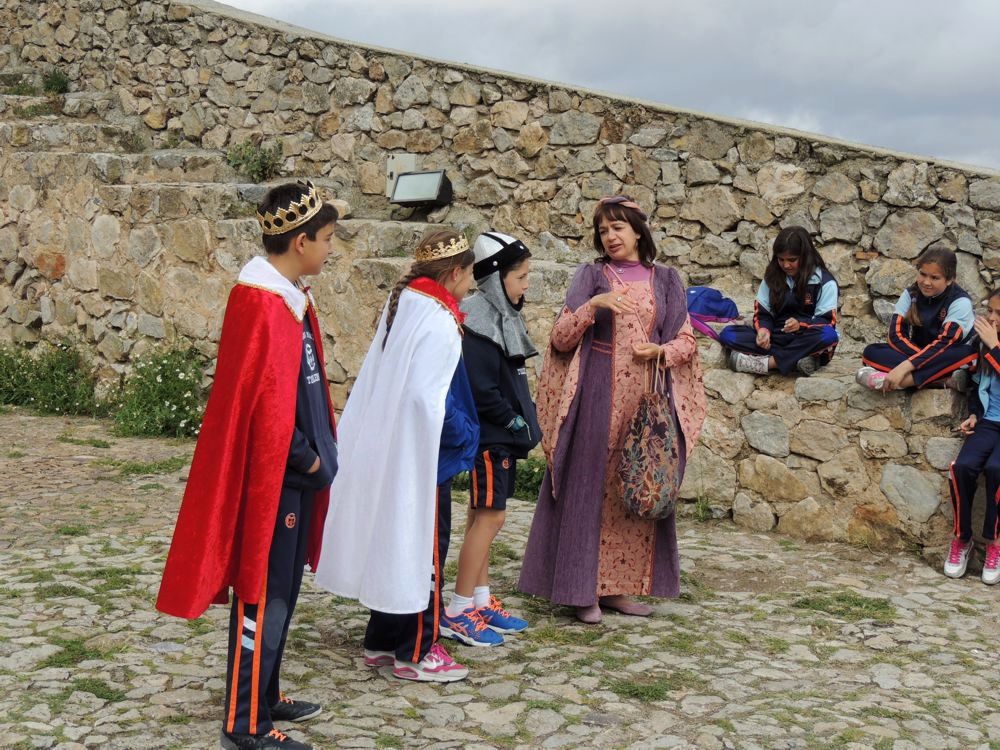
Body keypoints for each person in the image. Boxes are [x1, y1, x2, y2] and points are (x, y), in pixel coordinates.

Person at [156, 180, 339, 750]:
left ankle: (268, 691)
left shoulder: (291, 297)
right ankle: (245, 720)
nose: (331, 250)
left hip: (299, 476)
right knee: (263, 593)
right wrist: (306, 460)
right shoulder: (259, 303)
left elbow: (298, 388)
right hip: (278, 480)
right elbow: (259, 405)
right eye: (328, 239)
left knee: (286, 587)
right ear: (302, 241)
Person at [518, 195, 706, 624]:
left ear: (638, 230)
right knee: (591, 487)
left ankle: (619, 588)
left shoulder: (666, 281)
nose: (610, 236)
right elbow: (561, 339)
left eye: (618, 227)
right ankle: (580, 589)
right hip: (596, 397)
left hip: (645, 401)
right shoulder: (590, 275)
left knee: (635, 486)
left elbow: (687, 341)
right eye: (604, 230)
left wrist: (661, 350)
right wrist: (592, 307)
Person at [314, 229, 479, 682]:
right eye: (470, 272)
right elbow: (428, 399)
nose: (473, 281)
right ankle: (417, 649)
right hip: (420, 456)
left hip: (393, 445)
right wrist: (460, 433)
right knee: (423, 547)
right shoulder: (438, 318)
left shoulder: (407, 305)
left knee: (393, 536)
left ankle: (382, 639)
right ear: (453, 273)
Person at [439, 232, 541, 648]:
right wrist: (515, 422)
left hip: (501, 440)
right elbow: (481, 389)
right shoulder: (478, 322)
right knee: (490, 518)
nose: (526, 284)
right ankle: (460, 607)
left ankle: (479, 599)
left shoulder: (501, 318)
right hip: (490, 439)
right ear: (497, 279)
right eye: (520, 277)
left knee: (482, 516)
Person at [719, 226, 839, 376]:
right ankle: (797, 360)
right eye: (781, 259)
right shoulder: (772, 277)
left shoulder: (825, 282)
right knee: (728, 334)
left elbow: (827, 321)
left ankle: (768, 364)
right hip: (778, 337)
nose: (786, 265)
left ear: (805, 256)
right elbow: (763, 312)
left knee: (828, 335)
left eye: (792, 260)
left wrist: (800, 325)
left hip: (805, 337)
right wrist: (764, 331)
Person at [857, 247, 976, 391]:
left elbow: (945, 344)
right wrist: (919, 360)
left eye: (935, 278)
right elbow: (895, 336)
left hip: (947, 355)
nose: (926, 282)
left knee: (968, 354)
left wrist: (904, 367)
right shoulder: (910, 294)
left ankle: (902, 382)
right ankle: (940, 380)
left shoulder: (960, 302)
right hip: (924, 356)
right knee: (871, 352)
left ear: (950, 280)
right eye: (923, 274)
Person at [944, 288, 1000, 583]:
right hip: (989, 423)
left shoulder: (991, 345)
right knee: (961, 468)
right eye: (990, 311)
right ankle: (962, 538)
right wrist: (976, 414)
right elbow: (980, 388)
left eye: (999, 314)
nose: (991, 318)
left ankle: (995, 545)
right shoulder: (983, 345)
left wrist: (996, 348)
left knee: (997, 470)